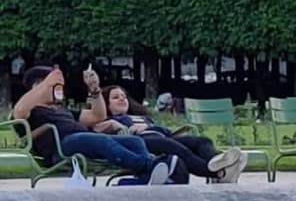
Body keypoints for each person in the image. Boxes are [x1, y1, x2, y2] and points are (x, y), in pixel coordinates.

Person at [12, 65, 174, 184]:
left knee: (135, 141)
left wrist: (94, 89)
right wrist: (44, 85)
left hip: (81, 141)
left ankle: (141, 180)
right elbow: (19, 112)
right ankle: (149, 166)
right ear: (36, 87)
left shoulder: (63, 110)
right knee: (101, 140)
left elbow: (97, 116)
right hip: (61, 148)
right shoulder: (30, 111)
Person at [80, 83, 246, 183]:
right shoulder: (106, 120)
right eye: (116, 97)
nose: (123, 99)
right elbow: (95, 130)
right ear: (106, 104)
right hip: (142, 142)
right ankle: (216, 172)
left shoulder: (138, 116)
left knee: (201, 141)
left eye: (124, 96)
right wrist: (116, 125)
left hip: (162, 136)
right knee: (177, 149)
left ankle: (219, 161)